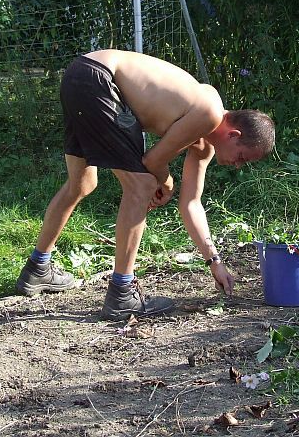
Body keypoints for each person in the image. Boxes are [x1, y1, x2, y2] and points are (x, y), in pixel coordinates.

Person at [16, 49, 275, 321]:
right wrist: (167, 182)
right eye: (242, 157)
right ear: (234, 135)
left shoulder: (203, 142)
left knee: (82, 183)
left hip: (81, 74)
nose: (237, 165)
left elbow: (191, 203)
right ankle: (122, 293)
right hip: (99, 79)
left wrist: (215, 262)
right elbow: (153, 161)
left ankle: (37, 268)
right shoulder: (209, 112)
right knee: (141, 186)